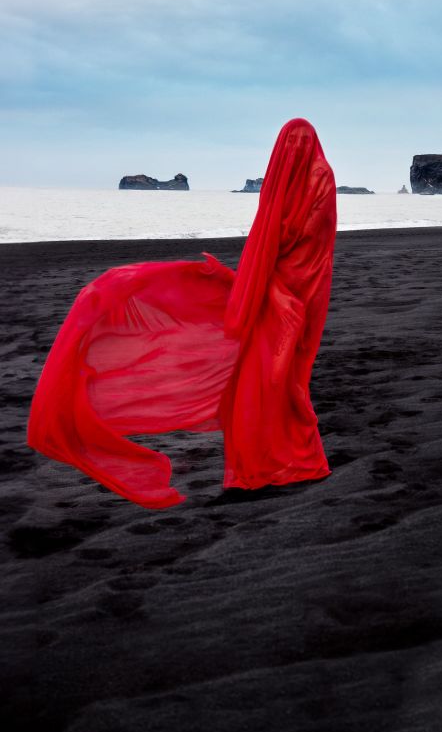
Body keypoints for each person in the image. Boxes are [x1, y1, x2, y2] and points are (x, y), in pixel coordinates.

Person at [27, 118, 337, 509]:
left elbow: (289, 234)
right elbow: (294, 234)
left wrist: (257, 285)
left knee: (273, 378)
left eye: (293, 146)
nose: (290, 153)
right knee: (273, 378)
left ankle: (279, 464)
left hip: (292, 295)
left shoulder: (310, 181)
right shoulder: (319, 179)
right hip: (295, 293)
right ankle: (279, 462)